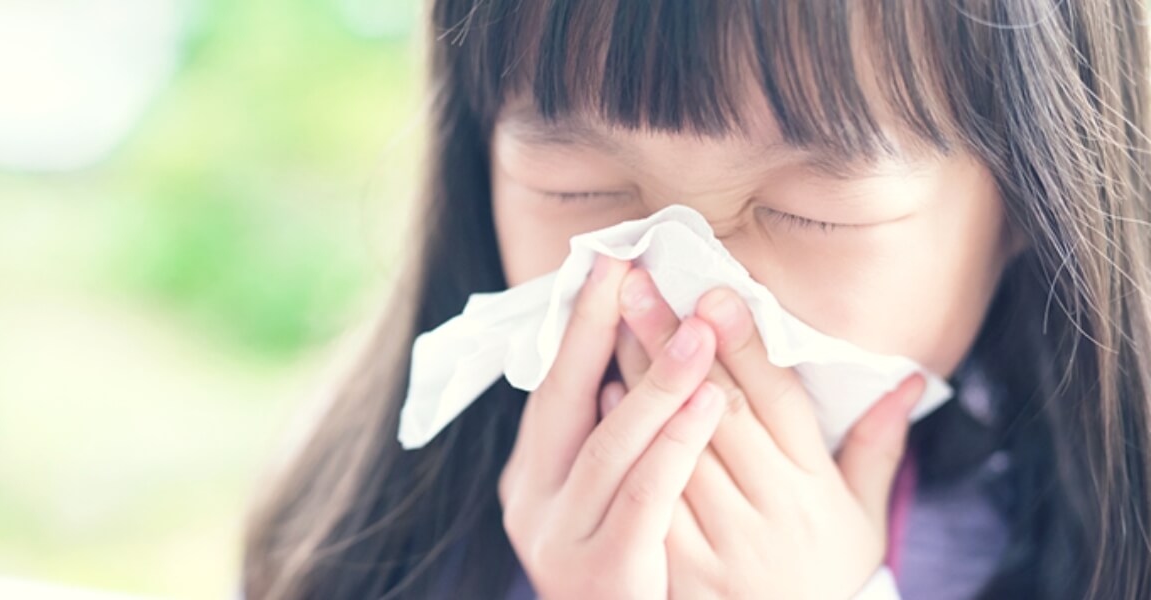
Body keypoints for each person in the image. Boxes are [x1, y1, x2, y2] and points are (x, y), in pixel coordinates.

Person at [242, 1, 1151, 598]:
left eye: (809, 213)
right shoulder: (381, 538)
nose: (685, 302)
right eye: (580, 189)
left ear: (1038, 198)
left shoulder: (1103, 542)